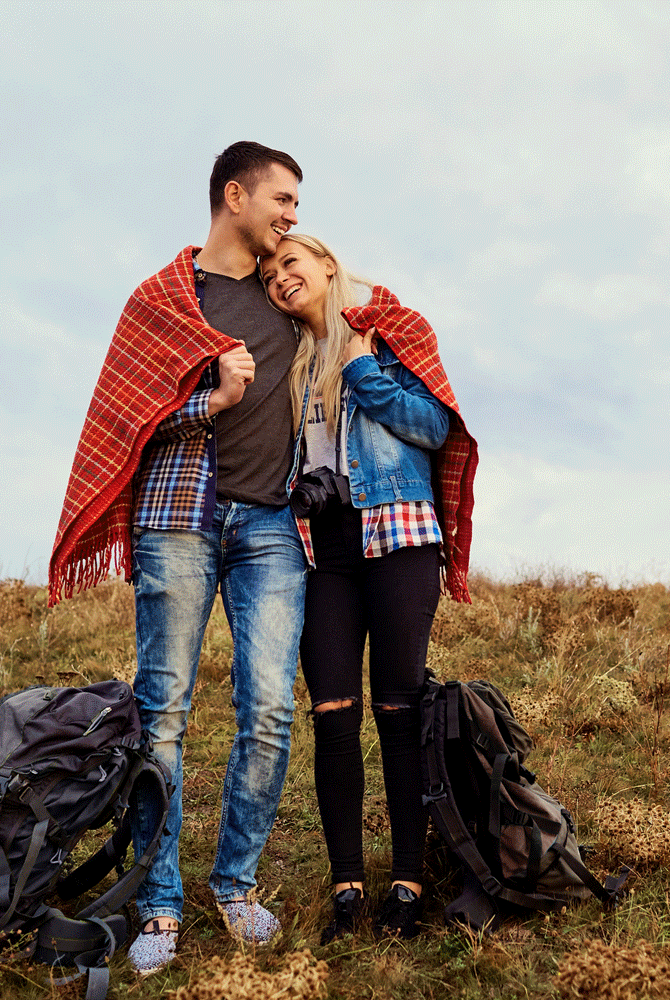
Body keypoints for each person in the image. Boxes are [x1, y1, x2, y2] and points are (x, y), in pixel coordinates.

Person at [48, 141, 308, 971]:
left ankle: (235, 884)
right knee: (163, 713)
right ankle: (158, 903)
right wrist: (213, 399)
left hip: (272, 526)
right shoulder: (164, 301)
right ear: (236, 195)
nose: (292, 216)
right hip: (179, 520)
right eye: (283, 199)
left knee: (267, 711)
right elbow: (126, 424)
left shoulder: (288, 298)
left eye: (297, 206)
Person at [258, 234, 479, 940]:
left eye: (291, 262)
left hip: (400, 533)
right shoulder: (288, 362)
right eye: (268, 274)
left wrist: (363, 374)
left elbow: (435, 424)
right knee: (332, 713)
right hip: (325, 549)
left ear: (326, 264)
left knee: (399, 708)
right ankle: (348, 887)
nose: (280, 278)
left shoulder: (388, 332)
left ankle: (408, 885)